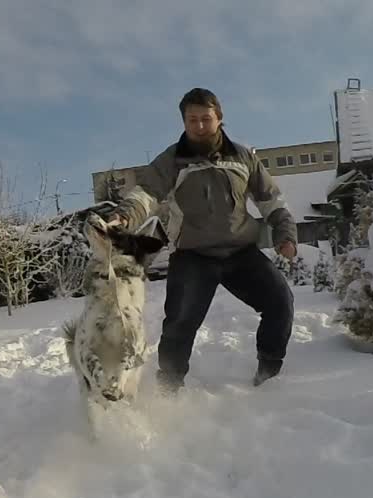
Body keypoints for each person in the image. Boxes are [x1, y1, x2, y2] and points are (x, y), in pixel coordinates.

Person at [95, 87, 298, 392]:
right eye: (193, 120)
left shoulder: (243, 156)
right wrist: (123, 217)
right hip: (194, 256)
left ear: (219, 118)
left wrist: (286, 235)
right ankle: (169, 387)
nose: (200, 126)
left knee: (281, 302)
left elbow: (272, 201)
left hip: (240, 253)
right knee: (180, 324)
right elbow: (146, 193)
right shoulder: (172, 160)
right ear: (184, 122)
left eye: (206, 118)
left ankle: (269, 372)